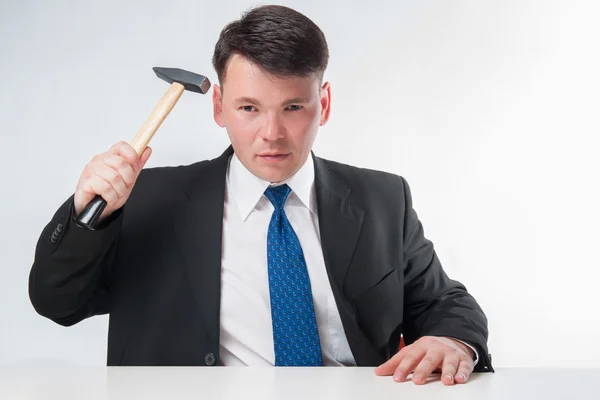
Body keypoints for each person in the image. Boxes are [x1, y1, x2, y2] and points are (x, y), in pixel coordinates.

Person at [29, 4, 493, 385]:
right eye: (249, 108)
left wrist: (454, 341)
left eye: (293, 107)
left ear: (323, 104)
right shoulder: (147, 198)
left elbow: (442, 302)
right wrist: (84, 214)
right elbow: (56, 302)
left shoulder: (382, 198)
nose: (271, 134)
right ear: (219, 106)